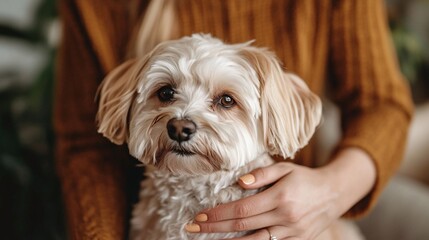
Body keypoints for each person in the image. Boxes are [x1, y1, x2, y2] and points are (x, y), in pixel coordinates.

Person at [54, 0, 413, 239]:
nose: (181, 121)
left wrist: (332, 191)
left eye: (225, 100)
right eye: (165, 94)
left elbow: (381, 104)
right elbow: (85, 145)